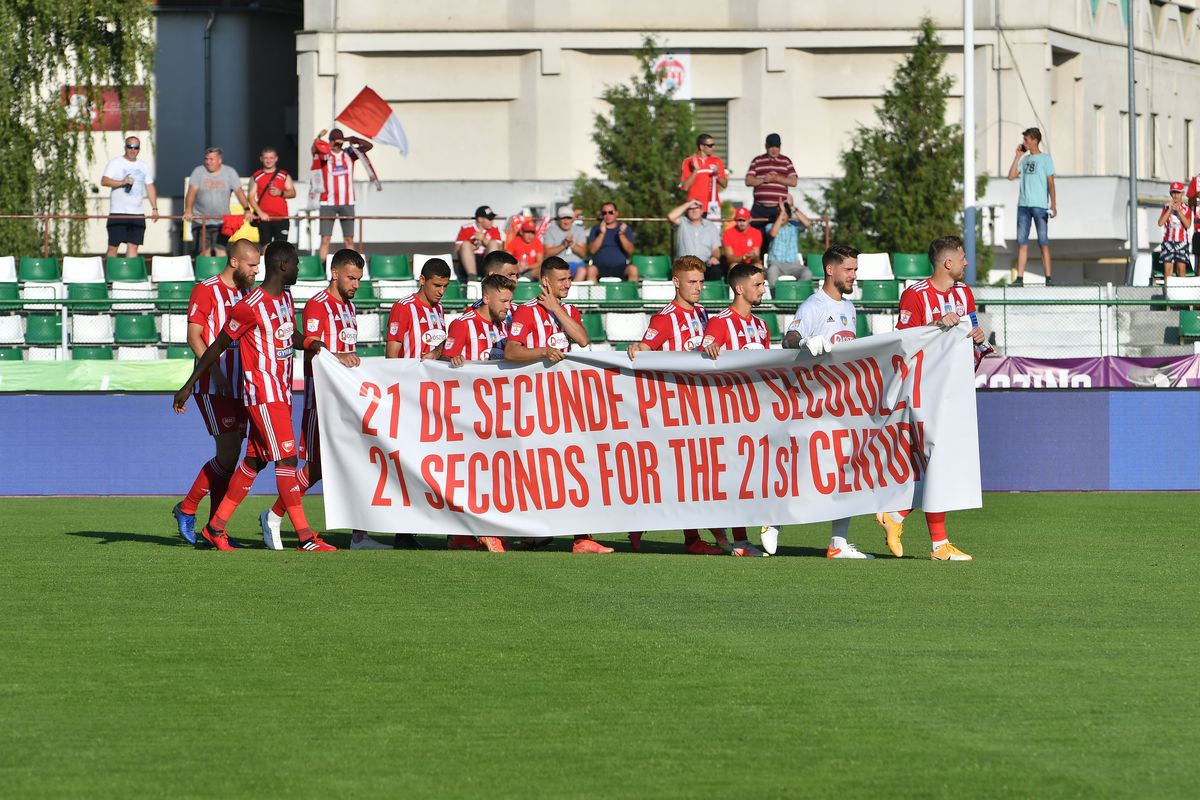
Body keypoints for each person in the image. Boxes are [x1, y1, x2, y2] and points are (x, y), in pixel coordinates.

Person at [173, 241, 349, 552]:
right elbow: (216, 344)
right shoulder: (248, 304)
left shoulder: (284, 297)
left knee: (253, 461)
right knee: (286, 459)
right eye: (296, 264)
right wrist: (189, 385)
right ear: (283, 266)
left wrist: (311, 342)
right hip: (260, 393)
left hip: (280, 391)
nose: (299, 269)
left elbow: (289, 334)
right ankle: (305, 537)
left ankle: (215, 526)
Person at [259, 249, 388, 551]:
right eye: (351, 278)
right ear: (334, 273)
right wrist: (337, 356)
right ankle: (274, 515)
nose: (356, 284)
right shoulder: (318, 305)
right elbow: (312, 351)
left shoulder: (348, 307)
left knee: (357, 462)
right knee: (316, 468)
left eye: (359, 279)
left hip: (347, 401)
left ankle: (359, 536)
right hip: (322, 400)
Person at [876, 235, 987, 562]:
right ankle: (936, 543)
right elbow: (902, 341)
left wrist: (978, 336)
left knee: (939, 462)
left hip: (954, 390)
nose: (967, 263)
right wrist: (935, 325)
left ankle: (898, 517)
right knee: (938, 460)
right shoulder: (915, 295)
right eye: (962, 257)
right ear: (947, 263)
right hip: (923, 390)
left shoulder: (964, 294)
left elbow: (973, 329)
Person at [504, 256, 610, 555]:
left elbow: (583, 339)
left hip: (565, 404)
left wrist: (556, 309)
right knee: (537, 471)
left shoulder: (568, 310)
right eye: (561, 279)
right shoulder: (526, 311)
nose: (568, 284)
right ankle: (533, 532)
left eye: (569, 278)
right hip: (532, 404)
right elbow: (511, 351)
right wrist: (542, 352)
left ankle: (581, 537)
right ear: (545, 282)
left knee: (575, 467)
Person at [625, 255, 727, 556]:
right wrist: (638, 348)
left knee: (691, 473)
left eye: (701, 282)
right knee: (679, 473)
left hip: (699, 407)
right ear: (676, 282)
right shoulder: (664, 318)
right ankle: (687, 535)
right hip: (671, 408)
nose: (698, 287)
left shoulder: (704, 314)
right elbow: (645, 349)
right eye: (692, 282)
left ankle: (681, 531)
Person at [780, 244, 874, 559]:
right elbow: (789, 340)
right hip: (811, 404)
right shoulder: (813, 306)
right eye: (849, 269)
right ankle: (774, 519)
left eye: (855, 269)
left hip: (841, 404)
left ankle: (838, 543)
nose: (854, 275)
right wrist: (806, 341)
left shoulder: (850, 308)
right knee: (803, 470)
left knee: (847, 471)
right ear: (830, 270)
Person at [171, 240, 258, 545]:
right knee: (229, 452)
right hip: (213, 385)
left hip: (242, 385)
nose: (256, 271)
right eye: (251, 265)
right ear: (234, 262)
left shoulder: (248, 293)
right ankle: (187, 507)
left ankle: (215, 528)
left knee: (230, 459)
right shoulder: (206, 289)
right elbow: (193, 336)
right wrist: (217, 372)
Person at [442, 273, 517, 552]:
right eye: (504, 301)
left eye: (510, 301)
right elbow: (442, 359)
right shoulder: (463, 324)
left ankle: (462, 536)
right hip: (468, 415)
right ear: (486, 298)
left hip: (500, 413)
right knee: (475, 474)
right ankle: (484, 531)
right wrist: (451, 359)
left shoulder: (507, 326)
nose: (508, 306)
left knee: (494, 472)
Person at [700, 262, 771, 557]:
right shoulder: (720, 322)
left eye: (763, 284)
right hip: (727, 414)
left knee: (753, 476)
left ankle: (740, 534)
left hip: (757, 412)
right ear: (740, 288)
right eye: (758, 284)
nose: (763, 289)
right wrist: (708, 348)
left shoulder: (762, 326)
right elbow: (704, 352)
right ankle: (737, 539)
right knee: (735, 477)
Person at [312, 128, 372, 261]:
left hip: (347, 202)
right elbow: (314, 150)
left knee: (349, 239)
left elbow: (369, 146)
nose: (336, 144)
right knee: (325, 238)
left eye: (338, 141)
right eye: (333, 141)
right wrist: (318, 138)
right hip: (327, 202)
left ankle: (352, 265)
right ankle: (322, 267)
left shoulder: (349, 154)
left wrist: (354, 139)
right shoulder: (325, 155)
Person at [1007, 127, 1056, 286]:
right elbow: (1011, 176)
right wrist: (1017, 156)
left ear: (1035, 140)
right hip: (1023, 206)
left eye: (1027, 139)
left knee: (1043, 243)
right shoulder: (1025, 160)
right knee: (1022, 243)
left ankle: (1048, 278)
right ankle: (1019, 278)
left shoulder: (1046, 159)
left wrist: (1053, 204)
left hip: (1040, 206)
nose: (1024, 142)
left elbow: (1051, 183)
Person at [184, 147, 251, 257]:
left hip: (222, 221)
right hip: (201, 220)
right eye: (206, 159)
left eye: (211, 159)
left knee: (221, 252)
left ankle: (221, 269)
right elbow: (191, 193)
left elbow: (239, 192)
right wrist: (188, 210)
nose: (208, 162)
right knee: (204, 253)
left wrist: (247, 209)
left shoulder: (230, 172)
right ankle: (205, 269)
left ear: (219, 160)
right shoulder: (198, 172)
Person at [100, 135, 158, 258]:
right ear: (125, 147)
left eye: (135, 147)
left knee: (133, 246)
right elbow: (104, 181)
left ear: (139, 149)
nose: (132, 150)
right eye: (130, 146)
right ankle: (110, 269)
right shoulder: (116, 162)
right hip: (118, 212)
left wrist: (154, 208)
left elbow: (150, 186)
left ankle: (129, 270)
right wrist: (122, 182)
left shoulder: (143, 165)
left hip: (137, 214)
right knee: (113, 246)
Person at [385, 258, 450, 359]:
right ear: (422, 280)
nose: (441, 291)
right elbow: (391, 355)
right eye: (437, 285)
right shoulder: (403, 307)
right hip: (410, 369)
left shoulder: (439, 307)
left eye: (445, 286)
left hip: (434, 370)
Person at [744, 133, 797, 254]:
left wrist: (776, 179)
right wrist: (764, 179)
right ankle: (758, 261)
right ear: (766, 146)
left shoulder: (786, 161)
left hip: (778, 209)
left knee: (776, 237)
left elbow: (793, 182)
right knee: (757, 236)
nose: (774, 149)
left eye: (777, 146)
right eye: (771, 146)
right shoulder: (757, 161)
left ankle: (775, 261)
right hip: (759, 209)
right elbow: (748, 181)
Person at [248, 147, 296, 244]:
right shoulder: (257, 176)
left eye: (271, 158)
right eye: (266, 158)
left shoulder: (284, 175)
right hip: (264, 218)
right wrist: (260, 213)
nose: (268, 160)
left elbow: (293, 193)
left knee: (281, 247)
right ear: (261, 159)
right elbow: (250, 197)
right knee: (265, 247)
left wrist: (281, 193)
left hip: (281, 217)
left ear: (276, 159)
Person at [666, 199, 722, 280]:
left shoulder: (711, 226)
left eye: (696, 208)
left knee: (716, 271)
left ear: (702, 211)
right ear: (687, 211)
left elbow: (716, 249)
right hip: (684, 264)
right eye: (690, 208)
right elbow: (671, 216)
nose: (694, 210)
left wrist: (715, 257)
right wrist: (689, 203)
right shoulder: (682, 222)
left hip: (704, 264)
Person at [766, 194, 814, 286]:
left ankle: (798, 293)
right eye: (780, 214)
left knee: (807, 273)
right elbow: (773, 233)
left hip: (794, 264)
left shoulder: (794, 227)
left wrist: (792, 207)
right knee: (771, 271)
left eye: (784, 214)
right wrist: (782, 212)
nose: (782, 217)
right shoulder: (770, 226)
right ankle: (775, 294)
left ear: (788, 216)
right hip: (776, 264)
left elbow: (807, 224)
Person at [585, 202, 637, 282]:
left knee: (633, 269)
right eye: (604, 213)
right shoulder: (596, 229)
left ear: (616, 213)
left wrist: (621, 235)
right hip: (599, 267)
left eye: (610, 212)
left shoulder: (625, 229)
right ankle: (594, 291)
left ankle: (631, 290)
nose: (607, 215)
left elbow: (630, 250)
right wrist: (602, 233)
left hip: (621, 267)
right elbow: (592, 250)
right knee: (590, 270)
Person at [680, 133, 727, 218]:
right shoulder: (688, 161)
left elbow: (724, 184)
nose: (713, 147)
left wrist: (717, 174)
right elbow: (685, 187)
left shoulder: (717, 161)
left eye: (713, 145)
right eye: (710, 145)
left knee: (714, 227)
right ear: (701, 147)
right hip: (694, 207)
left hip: (713, 207)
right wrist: (695, 170)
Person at [454, 205, 504, 280]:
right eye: (489, 219)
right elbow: (456, 249)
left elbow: (500, 249)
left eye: (492, 218)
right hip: (468, 262)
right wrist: (473, 247)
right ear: (480, 219)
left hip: (487, 261)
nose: (492, 221)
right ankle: (472, 276)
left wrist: (484, 240)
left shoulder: (494, 229)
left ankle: (490, 277)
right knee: (465, 244)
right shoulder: (466, 228)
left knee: (493, 243)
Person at [541, 205, 588, 280]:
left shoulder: (579, 230)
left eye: (568, 218)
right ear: (559, 219)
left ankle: (573, 288)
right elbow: (547, 253)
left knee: (582, 270)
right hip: (557, 265)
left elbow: (583, 253)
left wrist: (572, 243)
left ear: (572, 219)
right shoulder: (551, 230)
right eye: (563, 218)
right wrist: (563, 245)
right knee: (553, 272)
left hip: (576, 265)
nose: (566, 221)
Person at [1158, 182, 1192, 282]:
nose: (1175, 195)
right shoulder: (1166, 207)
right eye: (1173, 192)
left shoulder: (1186, 208)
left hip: (1182, 242)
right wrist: (1169, 210)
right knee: (1168, 271)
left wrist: (1179, 211)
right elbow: (1160, 223)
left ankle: (1181, 291)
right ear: (1170, 193)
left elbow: (1188, 225)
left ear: (1182, 194)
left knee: (1181, 270)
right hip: (1168, 242)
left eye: (1178, 192)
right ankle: (1167, 291)